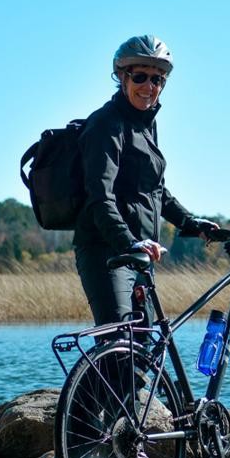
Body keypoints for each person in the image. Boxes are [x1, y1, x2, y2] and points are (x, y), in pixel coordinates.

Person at [74, 35, 217, 327]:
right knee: (120, 345)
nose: (149, 87)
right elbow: (100, 198)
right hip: (107, 253)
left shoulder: (145, 126)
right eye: (140, 76)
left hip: (140, 254)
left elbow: (156, 191)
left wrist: (191, 223)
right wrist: (130, 243)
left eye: (158, 79)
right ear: (122, 77)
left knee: (142, 349)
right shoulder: (106, 125)